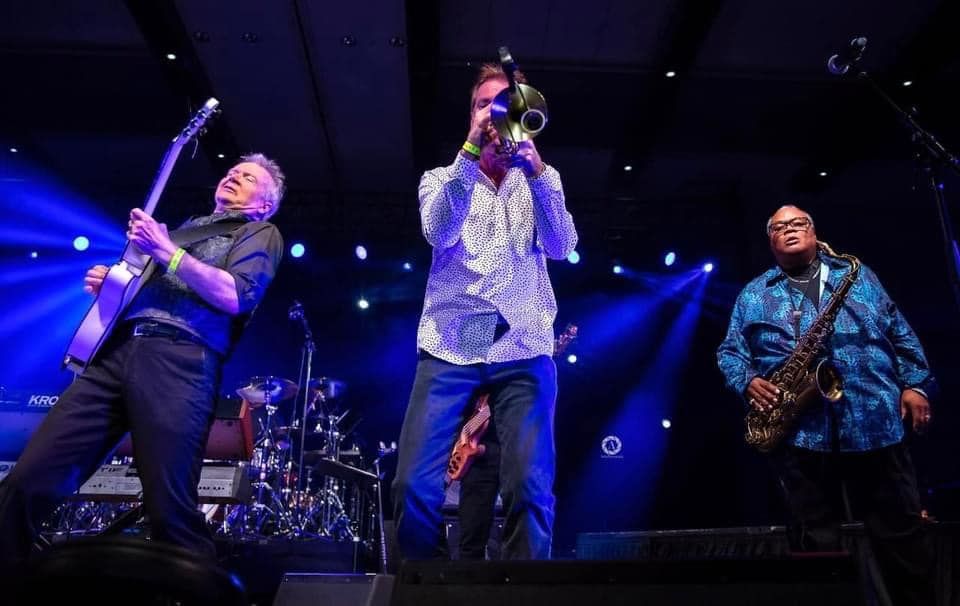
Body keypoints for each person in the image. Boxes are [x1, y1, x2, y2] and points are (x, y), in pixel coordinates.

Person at [0, 153, 286, 572]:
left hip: (179, 360)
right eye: (230, 172)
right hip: (114, 357)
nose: (232, 177)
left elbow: (236, 295)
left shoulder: (259, 231)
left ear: (264, 203)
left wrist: (166, 252)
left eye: (246, 177)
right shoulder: (187, 229)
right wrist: (116, 289)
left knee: (170, 511)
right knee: (27, 481)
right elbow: (156, 290)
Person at [392, 63, 578, 560]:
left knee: (530, 488)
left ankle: (525, 594)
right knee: (412, 485)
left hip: (522, 342)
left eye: (505, 106)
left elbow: (562, 245)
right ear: (471, 116)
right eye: (483, 106)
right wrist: (471, 152)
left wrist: (537, 173)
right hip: (454, 342)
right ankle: (423, 590)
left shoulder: (542, 178)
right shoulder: (441, 177)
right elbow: (439, 232)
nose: (494, 116)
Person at [717, 204, 935, 605]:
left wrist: (916, 386)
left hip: (875, 422)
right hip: (801, 434)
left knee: (904, 544)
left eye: (799, 223)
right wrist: (747, 381)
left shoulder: (860, 277)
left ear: (815, 232)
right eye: (779, 227)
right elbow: (730, 353)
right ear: (770, 240)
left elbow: (901, 333)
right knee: (816, 547)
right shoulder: (753, 294)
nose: (790, 229)